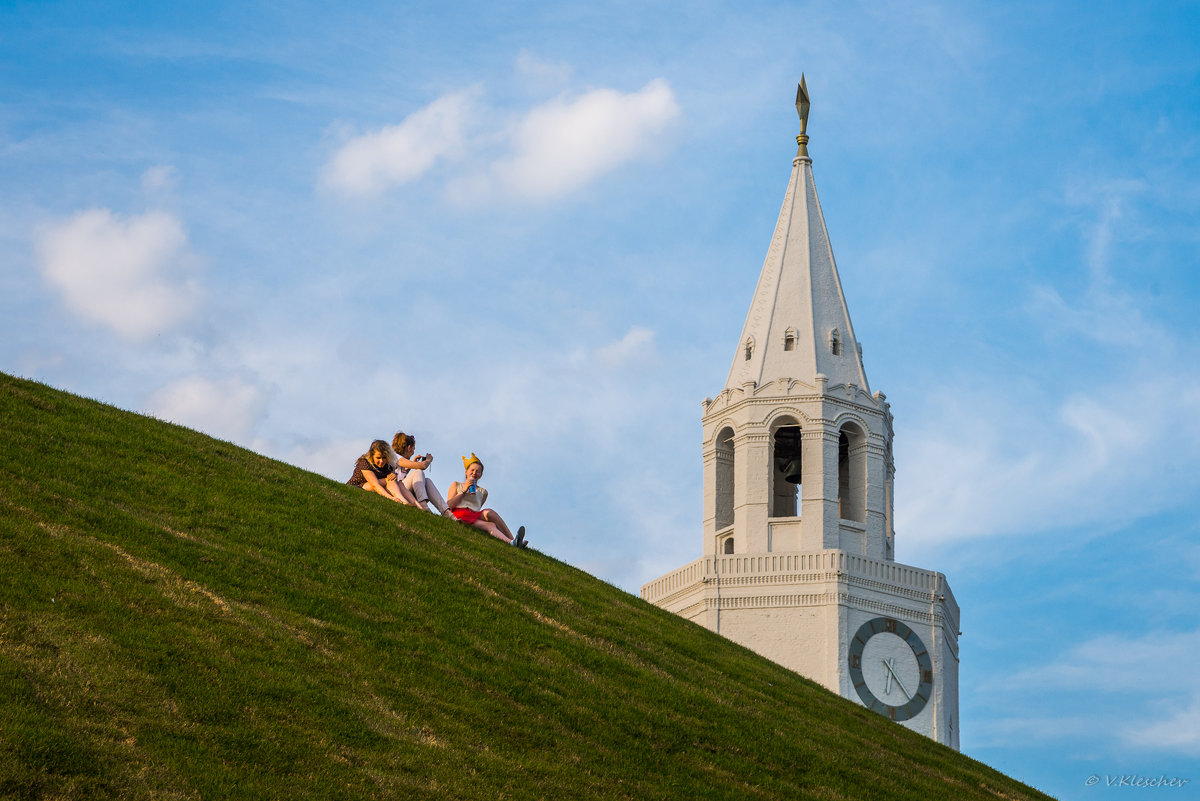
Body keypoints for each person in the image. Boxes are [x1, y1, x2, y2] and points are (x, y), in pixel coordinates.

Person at [446, 453, 527, 547]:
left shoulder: (483, 492)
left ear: (480, 475)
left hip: (472, 514)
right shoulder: (456, 484)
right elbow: (448, 505)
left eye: (478, 471)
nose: (474, 473)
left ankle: (515, 540)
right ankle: (511, 543)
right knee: (490, 525)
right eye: (472, 470)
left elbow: (477, 509)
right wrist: (464, 491)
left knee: (490, 512)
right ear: (466, 472)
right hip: (460, 514)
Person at [391, 432, 451, 517]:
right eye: (413, 449)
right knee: (418, 471)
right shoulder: (397, 457)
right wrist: (428, 460)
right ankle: (423, 504)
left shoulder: (399, 460)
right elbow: (422, 466)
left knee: (427, 481)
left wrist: (413, 463)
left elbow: (401, 476)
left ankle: (447, 512)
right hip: (398, 492)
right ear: (409, 448)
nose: (413, 452)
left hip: (403, 489)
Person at [347, 439, 418, 505]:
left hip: (378, 485)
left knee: (392, 480)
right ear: (372, 455)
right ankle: (400, 500)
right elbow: (375, 485)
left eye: (384, 457)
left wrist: (394, 474)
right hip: (357, 487)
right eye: (378, 458)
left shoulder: (388, 464)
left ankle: (405, 502)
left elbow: (392, 476)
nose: (381, 461)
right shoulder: (365, 463)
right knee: (388, 480)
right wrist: (391, 498)